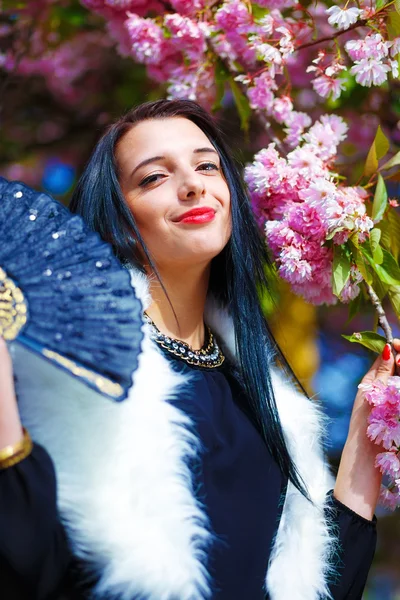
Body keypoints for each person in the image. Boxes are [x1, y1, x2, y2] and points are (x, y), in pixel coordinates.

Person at [0, 99, 398, 600]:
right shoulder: (76, 377)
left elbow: (317, 588)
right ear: (120, 221)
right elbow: (29, 564)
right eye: (153, 177)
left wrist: (366, 439)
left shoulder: (265, 397)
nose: (193, 185)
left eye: (206, 165)